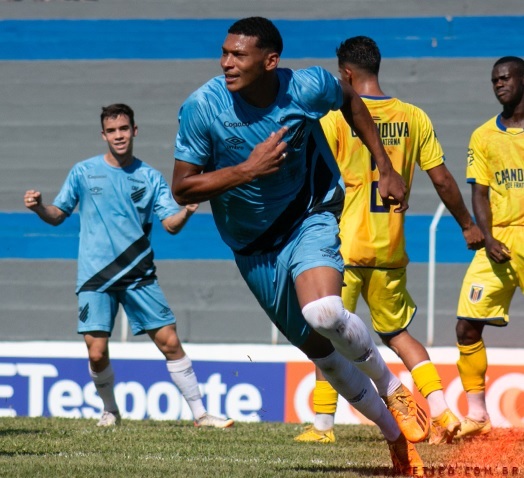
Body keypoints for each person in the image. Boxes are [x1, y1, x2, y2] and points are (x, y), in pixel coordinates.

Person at [172, 17, 426, 475]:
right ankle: (395, 438)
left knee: (324, 312)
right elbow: (183, 188)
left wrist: (383, 165)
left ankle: (394, 389)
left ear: (270, 61)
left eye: (238, 55)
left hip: (310, 213)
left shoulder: (306, 86)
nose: (226, 62)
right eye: (225, 52)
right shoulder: (202, 107)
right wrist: (247, 170)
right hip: (252, 248)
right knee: (321, 352)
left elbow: (350, 99)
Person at [293, 36, 484, 446]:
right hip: (390, 247)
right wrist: (467, 224)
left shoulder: (333, 118)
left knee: (328, 333)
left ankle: (323, 427)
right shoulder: (413, 117)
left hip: (342, 246)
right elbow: (442, 179)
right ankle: (442, 410)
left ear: (345, 74)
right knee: (399, 334)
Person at [24, 103, 233, 429]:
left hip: (138, 275)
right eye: (112, 130)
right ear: (103, 135)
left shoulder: (150, 177)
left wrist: (188, 211)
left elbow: (170, 225)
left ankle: (201, 414)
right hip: (95, 277)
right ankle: (110, 410)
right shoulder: (83, 172)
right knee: (96, 353)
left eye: (124, 129)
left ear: (134, 130)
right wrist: (39, 208)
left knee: (170, 342)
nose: (118, 136)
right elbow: (57, 215)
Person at [454, 56, 524, 438]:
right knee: (466, 326)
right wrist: (488, 235)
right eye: (494, 80)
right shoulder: (483, 135)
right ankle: (478, 416)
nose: (499, 84)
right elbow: (478, 192)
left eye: (506, 78)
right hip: (499, 241)